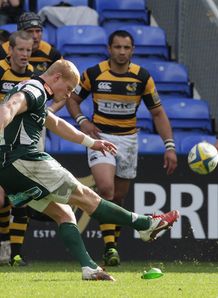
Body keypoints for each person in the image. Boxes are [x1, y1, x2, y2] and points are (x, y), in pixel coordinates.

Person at [0, 59, 180, 281]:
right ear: (56, 78)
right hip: (25, 160)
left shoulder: (31, 91)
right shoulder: (34, 89)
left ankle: (89, 268)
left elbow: (56, 123)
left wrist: (91, 143)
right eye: (67, 89)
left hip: (8, 171)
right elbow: (9, 107)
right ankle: (145, 224)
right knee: (86, 196)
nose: (68, 96)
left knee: (64, 213)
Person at [66, 30, 178, 266]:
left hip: (128, 141)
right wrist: (83, 122)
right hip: (101, 137)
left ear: (133, 50)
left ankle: (111, 246)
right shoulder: (94, 73)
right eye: (117, 47)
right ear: (109, 49)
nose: (122, 52)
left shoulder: (142, 77)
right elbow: (72, 99)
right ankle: (110, 248)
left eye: (126, 48)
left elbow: (157, 112)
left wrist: (169, 146)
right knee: (106, 189)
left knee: (118, 197)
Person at [0, 30, 34, 266]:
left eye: (28, 50)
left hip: (20, 142)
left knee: (21, 199)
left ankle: (16, 254)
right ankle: (3, 247)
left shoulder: (33, 75)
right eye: (20, 49)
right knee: (1, 200)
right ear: (10, 50)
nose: (24, 54)